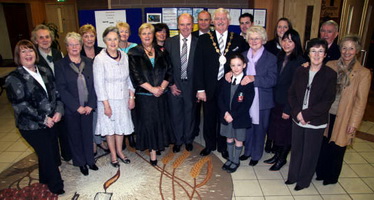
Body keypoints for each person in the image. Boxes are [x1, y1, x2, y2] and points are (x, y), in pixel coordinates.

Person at [5, 40, 64, 195]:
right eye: (23, 52)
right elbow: (21, 106)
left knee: (50, 150)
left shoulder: (44, 70)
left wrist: (59, 110)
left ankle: (44, 179)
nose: (28, 54)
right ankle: (57, 186)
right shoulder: (14, 78)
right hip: (31, 126)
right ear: (18, 56)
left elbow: (56, 93)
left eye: (30, 50)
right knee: (48, 154)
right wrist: (44, 118)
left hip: (52, 120)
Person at [315, 35, 371, 185]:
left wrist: (354, 123)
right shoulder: (331, 65)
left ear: (357, 50)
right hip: (327, 114)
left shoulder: (363, 73)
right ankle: (320, 172)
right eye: (344, 48)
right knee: (324, 145)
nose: (347, 51)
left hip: (345, 116)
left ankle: (331, 177)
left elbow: (361, 102)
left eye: (351, 48)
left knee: (338, 147)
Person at [194, 8, 249, 158]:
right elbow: (198, 65)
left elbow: (245, 61)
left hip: (229, 87)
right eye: (217, 19)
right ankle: (210, 145)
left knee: (225, 117)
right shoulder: (204, 39)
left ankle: (223, 146)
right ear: (213, 21)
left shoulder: (237, 39)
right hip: (209, 87)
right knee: (209, 117)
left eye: (223, 18)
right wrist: (200, 89)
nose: (220, 21)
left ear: (229, 21)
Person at [285, 38, 337, 191]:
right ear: (308, 53)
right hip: (297, 117)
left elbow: (327, 101)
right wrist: (297, 113)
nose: (316, 54)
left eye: (320, 51)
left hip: (316, 120)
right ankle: (292, 176)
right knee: (297, 150)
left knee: (310, 152)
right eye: (313, 51)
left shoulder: (329, 74)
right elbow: (291, 94)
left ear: (325, 54)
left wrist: (306, 115)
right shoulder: (300, 70)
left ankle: (303, 180)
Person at [128, 23, 174, 166]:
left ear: (153, 35)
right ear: (139, 35)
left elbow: (169, 71)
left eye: (149, 33)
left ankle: (158, 145)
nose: (147, 36)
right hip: (145, 97)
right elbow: (136, 76)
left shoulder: (162, 51)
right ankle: (153, 153)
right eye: (144, 33)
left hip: (161, 94)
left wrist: (161, 87)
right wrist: (152, 89)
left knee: (160, 121)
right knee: (149, 123)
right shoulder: (134, 52)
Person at [55, 32, 99, 176]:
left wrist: (91, 105)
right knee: (75, 136)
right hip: (72, 108)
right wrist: (76, 107)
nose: (74, 47)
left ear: (81, 46)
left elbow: (94, 85)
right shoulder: (60, 65)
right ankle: (81, 162)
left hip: (87, 107)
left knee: (88, 134)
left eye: (77, 44)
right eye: (71, 44)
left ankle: (90, 160)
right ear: (66, 47)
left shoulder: (89, 62)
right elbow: (61, 88)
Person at [232, 26, 277, 166]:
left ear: (263, 39)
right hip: (246, 98)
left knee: (260, 128)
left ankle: (256, 154)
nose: (254, 41)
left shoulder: (271, 58)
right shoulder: (243, 55)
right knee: (248, 126)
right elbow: (236, 70)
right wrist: (229, 73)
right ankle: (247, 151)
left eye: (257, 38)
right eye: (251, 38)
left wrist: (253, 78)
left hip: (262, 99)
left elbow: (272, 80)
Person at [93, 26, 134, 168]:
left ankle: (120, 152)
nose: (112, 42)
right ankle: (113, 155)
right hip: (107, 100)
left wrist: (131, 96)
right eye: (109, 39)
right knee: (110, 129)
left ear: (119, 40)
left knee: (121, 127)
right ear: (104, 40)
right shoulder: (100, 59)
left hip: (122, 99)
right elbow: (98, 84)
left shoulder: (125, 56)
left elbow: (128, 78)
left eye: (115, 39)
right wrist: (106, 105)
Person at [265, 29, 305, 171]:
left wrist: (289, 108)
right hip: (275, 101)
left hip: (288, 104)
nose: (286, 44)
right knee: (276, 130)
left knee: (285, 133)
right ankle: (277, 155)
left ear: (296, 43)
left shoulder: (300, 61)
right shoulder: (280, 56)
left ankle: (282, 158)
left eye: (290, 41)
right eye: (284, 40)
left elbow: (297, 89)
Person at [31, 24, 72, 162]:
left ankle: (67, 155)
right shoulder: (33, 57)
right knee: (50, 133)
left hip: (60, 97)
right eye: (40, 38)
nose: (44, 40)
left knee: (64, 129)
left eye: (47, 37)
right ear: (35, 40)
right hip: (44, 101)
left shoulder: (57, 53)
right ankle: (55, 160)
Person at [164, 13, 197, 153]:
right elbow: (165, 66)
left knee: (190, 113)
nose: (185, 27)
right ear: (178, 26)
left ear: (192, 25)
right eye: (182, 24)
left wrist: (199, 88)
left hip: (192, 85)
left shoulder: (199, 42)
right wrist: (170, 84)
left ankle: (188, 139)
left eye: (188, 24)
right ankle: (178, 140)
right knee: (176, 114)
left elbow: (202, 67)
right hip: (175, 84)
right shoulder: (169, 42)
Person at [218, 53, 254, 173]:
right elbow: (221, 98)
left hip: (239, 117)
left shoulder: (247, 83)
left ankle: (236, 160)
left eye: (239, 65)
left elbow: (246, 103)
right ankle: (230, 157)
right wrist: (225, 113)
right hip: (226, 116)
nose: (236, 68)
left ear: (244, 65)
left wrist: (233, 115)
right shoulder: (227, 79)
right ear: (230, 66)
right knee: (229, 137)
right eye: (233, 65)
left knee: (238, 139)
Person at [78, 24, 109, 155]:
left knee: (101, 116)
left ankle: (101, 140)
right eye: (86, 36)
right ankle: (92, 142)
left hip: (102, 88)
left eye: (92, 36)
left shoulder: (102, 51)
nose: (89, 39)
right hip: (86, 91)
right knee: (90, 118)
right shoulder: (78, 53)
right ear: (81, 38)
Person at [191, 10, 212, 139]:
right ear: (197, 22)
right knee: (194, 109)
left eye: (206, 20)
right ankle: (194, 131)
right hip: (194, 80)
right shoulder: (191, 36)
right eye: (201, 20)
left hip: (210, 81)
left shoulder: (215, 37)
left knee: (210, 111)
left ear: (211, 22)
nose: (203, 23)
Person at [117, 21, 137, 149]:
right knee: (121, 112)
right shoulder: (113, 47)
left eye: (126, 31)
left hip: (133, 82)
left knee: (133, 110)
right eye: (121, 31)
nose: (123, 34)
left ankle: (131, 135)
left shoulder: (135, 47)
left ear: (129, 33)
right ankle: (122, 138)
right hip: (119, 84)